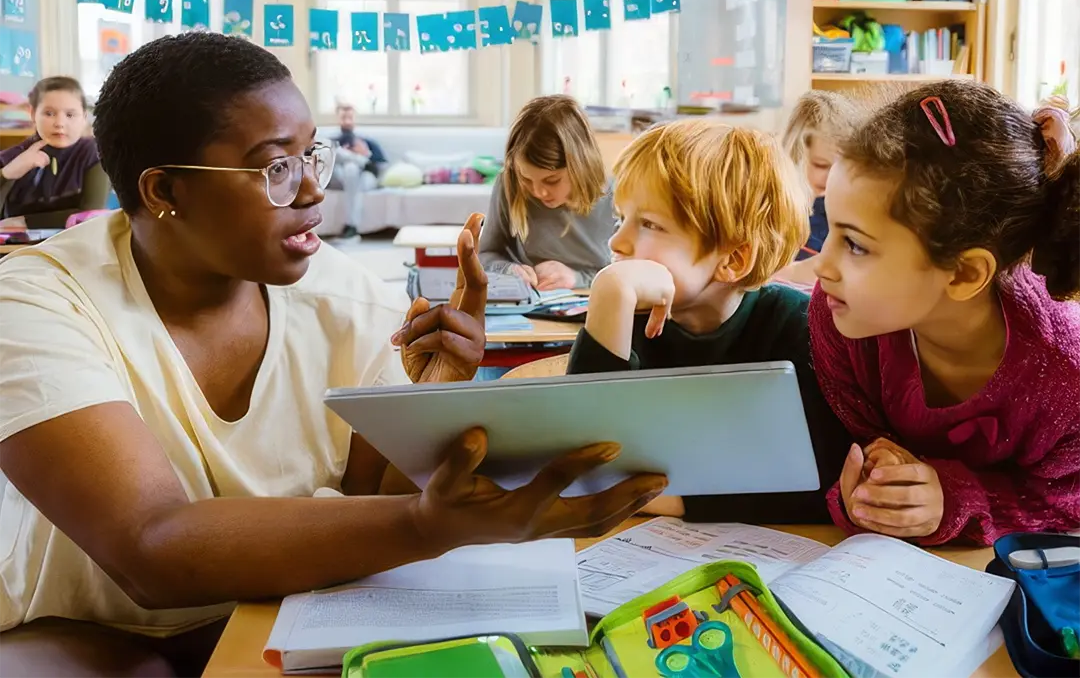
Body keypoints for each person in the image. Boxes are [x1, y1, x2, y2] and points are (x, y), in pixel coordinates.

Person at [0, 33, 666, 677]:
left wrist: (430, 405)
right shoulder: (39, 300)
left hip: (285, 612)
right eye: (276, 168)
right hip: (90, 633)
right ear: (163, 192)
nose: (316, 193)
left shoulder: (342, 292)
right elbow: (149, 548)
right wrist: (426, 523)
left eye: (311, 157)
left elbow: (363, 501)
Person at [809, 80, 1080, 546]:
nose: (821, 265)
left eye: (854, 244)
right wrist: (877, 489)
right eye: (829, 228)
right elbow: (851, 455)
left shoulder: (1063, 374)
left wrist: (952, 500)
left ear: (963, 274)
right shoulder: (840, 317)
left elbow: (1064, 503)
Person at [565, 119, 851, 523]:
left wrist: (670, 501)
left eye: (649, 224)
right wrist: (609, 299)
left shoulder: (799, 326)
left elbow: (822, 489)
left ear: (733, 260)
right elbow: (580, 470)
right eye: (619, 219)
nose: (616, 242)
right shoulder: (624, 312)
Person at [479, 95, 613, 290]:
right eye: (526, 179)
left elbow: (632, 273)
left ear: (580, 166)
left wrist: (578, 278)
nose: (539, 192)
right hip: (532, 302)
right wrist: (508, 269)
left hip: (593, 301)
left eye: (552, 180)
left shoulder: (616, 197)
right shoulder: (509, 183)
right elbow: (486, 254)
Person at [772, 90, 860, 288]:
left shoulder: (840, 207)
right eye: (821, 165)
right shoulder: (774, 205)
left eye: (842, 168)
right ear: (795, 156)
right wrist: (794, 271)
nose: (832, 178)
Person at [0, 76, 110, 231]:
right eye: (49, 113)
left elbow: (89, 215)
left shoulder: (94, 153)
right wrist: (8, 173)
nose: (59, 123)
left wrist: (25, 222)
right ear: (32, 114)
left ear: (84, 117)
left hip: (75, 247)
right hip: (18, 250)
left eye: (70, 115)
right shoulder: (14, 156)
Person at [329, 103, 387, 240]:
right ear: (338, 119)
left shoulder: (366, 141)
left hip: (365, 179)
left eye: (350, 117)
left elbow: (381, 164)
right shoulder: (333, 142)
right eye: (343, 117)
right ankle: (351, 227)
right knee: (340, 158)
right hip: (341, 178)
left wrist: (366, 154)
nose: (347, 121)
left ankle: (351, 226)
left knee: (351, 168)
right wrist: (354, 157)